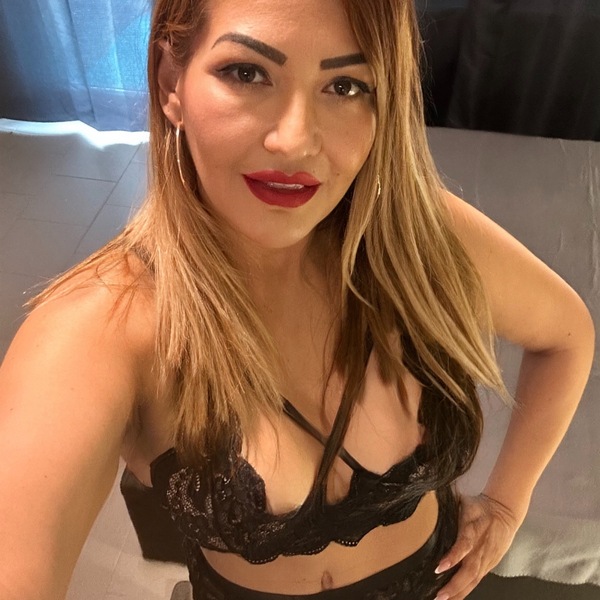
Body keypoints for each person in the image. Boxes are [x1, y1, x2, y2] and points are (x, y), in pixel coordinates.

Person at [0, 0, 594, 599]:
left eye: (346, 85)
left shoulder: (416, 239)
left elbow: (566, 336)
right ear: (170, 82)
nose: (295, 141)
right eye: (247, 73)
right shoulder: (99, 331)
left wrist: (507, 504)